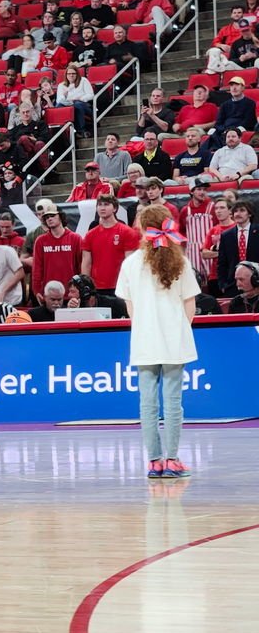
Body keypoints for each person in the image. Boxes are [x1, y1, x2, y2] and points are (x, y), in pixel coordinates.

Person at [115, 205, 199, 479]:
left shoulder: (129, 263)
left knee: (147, 403)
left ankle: (154, 461)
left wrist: (146, 328)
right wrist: (178, 330)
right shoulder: (181, 261)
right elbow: (190, 305)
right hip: (174, 338)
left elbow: (131, 309)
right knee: (173, 402)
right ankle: (173, 460)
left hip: (144, 339)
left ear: (141, 227)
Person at [81, 194, 141, 294]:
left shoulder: (127, 232)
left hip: (120, 286)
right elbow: (86, 263)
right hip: (97, 288)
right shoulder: (90, 235)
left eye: (106, 204)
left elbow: (130, 262)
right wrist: (86, 286)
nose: (102, 208)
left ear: (115, 208)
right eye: (99, 205)